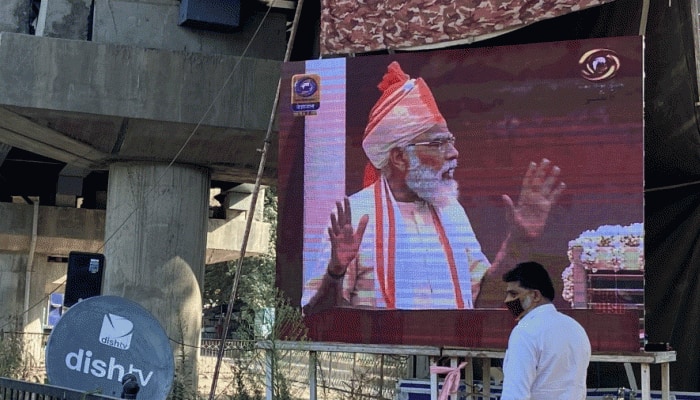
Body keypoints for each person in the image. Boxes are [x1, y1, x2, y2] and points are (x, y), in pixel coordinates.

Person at [301, 61, 565, 314]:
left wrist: (517, 241)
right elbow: (315, 316)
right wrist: (335, 271)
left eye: (450, 141)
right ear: (399, 157)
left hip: (453, 360)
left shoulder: (451, 211)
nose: (454, 153)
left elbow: (485, 302)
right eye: (438, 144)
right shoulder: (355, 214)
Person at [501, 261, 591, 399]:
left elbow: (514, 394)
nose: (507, 301)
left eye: (514, 294)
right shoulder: (575, 328)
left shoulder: (526, 332)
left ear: (536, 295)